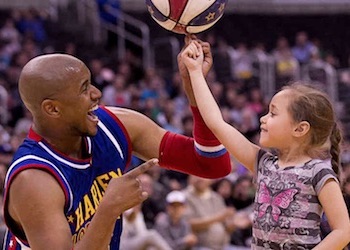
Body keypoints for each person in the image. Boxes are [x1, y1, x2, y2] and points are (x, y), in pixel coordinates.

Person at [2, 38, 231, 249]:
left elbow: (212, 165)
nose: (97, 93)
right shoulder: (34, 179)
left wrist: (195, 86)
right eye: (84, 89)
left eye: (91, 83)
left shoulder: (115, 126)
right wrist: (109, 209)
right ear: (52, 108)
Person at [181, 40, 350, 249]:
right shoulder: (263, 163)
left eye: (273, 113)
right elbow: (216, 123)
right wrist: (196, 72)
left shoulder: (318, 172)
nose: (263, 118)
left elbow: (343, 231)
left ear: (300, 129)